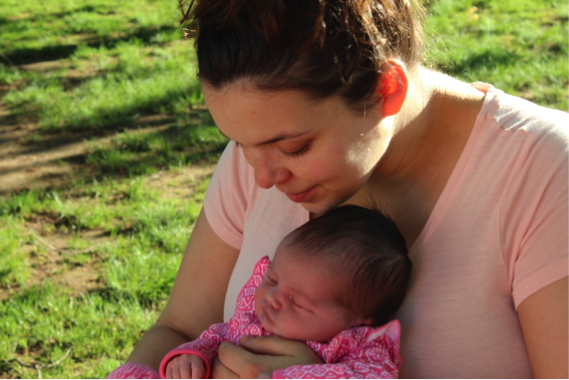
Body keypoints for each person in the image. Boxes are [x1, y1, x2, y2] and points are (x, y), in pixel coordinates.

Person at [108, 0, 569, 378]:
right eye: (240, 143)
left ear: (386, 89)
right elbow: (179, 327)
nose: (262, 178)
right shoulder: (259, 153)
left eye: (293, 147)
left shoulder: (545, 173)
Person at [160, 205, 411, 380]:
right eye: (272, 278)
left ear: (355, 321)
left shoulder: (360, 351)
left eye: (298, 302)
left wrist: (293, 374)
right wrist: (193, 357)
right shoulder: (253, 317)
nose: (272, 297)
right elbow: (218, 335)